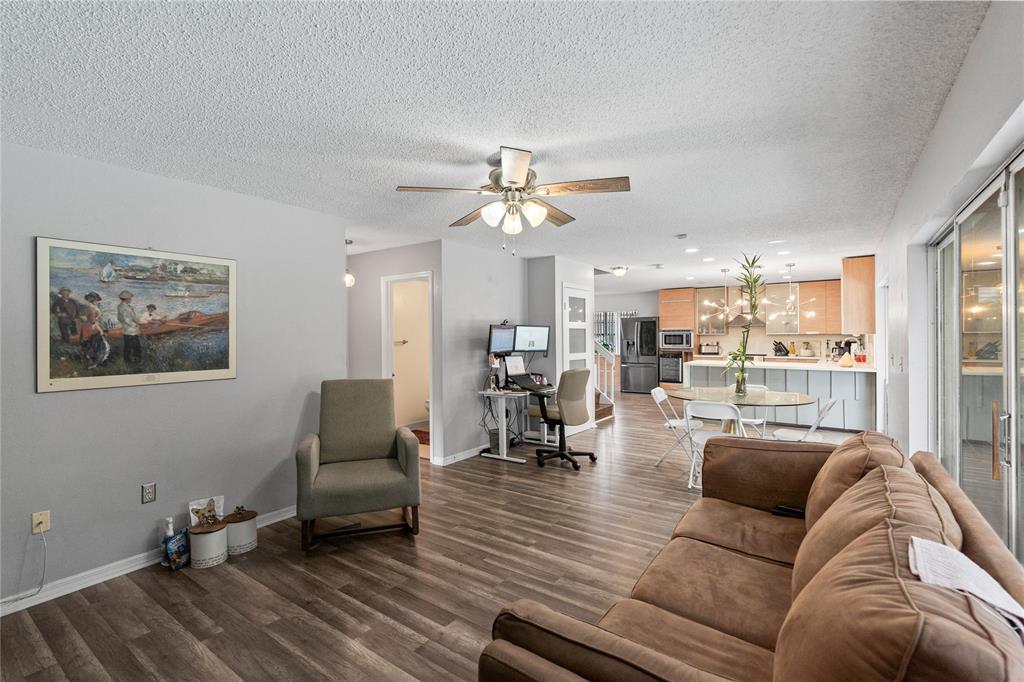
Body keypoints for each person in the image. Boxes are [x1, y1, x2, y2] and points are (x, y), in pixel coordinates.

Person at [80, 292, 109, 368]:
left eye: (97, 299)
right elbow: (92, 320)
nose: (97, 301)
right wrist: (100, 330)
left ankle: (93, 361)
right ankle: (95, 362)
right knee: (99, 345)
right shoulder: (91, 308)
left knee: (92, 345)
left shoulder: (91, 306)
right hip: (92, 328)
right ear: (93, 300)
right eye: (96, 299)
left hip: (90, 327)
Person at [117, 290, 142, 367]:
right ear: (126, 299)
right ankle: (133, 361)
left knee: (131, 346)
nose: (131, 299)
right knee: (133, 346)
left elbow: (120, 318)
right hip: (130, 330)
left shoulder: (124, 306)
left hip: (129, 329)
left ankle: (132, 360)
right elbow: (125, 319)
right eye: (130, 298)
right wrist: (135, 325)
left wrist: (137, 322)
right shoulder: (123, 307)